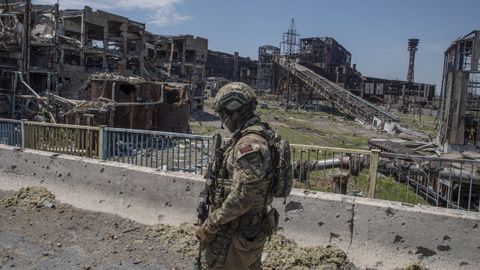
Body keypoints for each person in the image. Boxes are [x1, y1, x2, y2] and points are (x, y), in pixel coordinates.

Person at [195, 82, 278, 269]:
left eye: (223, 115)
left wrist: (211, 225)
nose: (223, 120)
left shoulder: (249, 144)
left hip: (234, 231)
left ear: (233, 111)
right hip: (249, 230)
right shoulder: (263, 135)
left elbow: (243, 197)